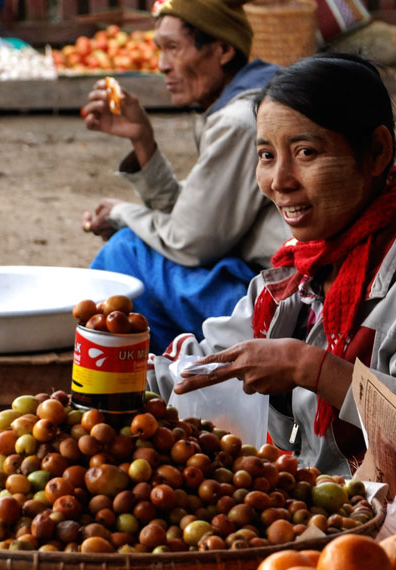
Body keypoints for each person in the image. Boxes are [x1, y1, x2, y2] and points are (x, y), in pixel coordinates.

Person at [148, 53, 396, 476]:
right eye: (266, 156)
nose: (280, 181)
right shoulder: (295, 271)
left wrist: (309, 368)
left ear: (376, 152)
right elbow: (213, 362)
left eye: (305, 152)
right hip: (314, 509)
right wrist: (117, 370)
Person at [81, 0, 289, 354]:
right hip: (266, 282)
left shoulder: (242, 119)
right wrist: (143, 141)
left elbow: (190, 242)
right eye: (159, 49)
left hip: (284, 302)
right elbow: (200, 217)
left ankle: (115, 381)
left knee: (126, 254)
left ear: (223, 49)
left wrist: (122, 215)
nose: (162, 65)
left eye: (174, 48)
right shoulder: (248, 101)